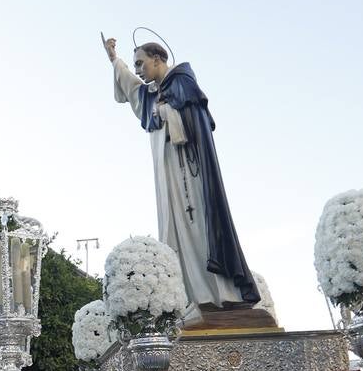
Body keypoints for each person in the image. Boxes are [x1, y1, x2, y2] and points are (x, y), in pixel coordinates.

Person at [105, 35, 259, 309]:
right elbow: (129, 85)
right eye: (136, 65)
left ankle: (219, 293)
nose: (139, 69)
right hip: (168, 178)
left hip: (190, 171)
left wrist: (167, 114)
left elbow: (196, 125)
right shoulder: (149, 94)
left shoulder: (183, 83)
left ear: (158, 59)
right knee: (173, 229)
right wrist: (114, 59)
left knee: (198, 227)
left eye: (141, 63)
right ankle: (190, 297)